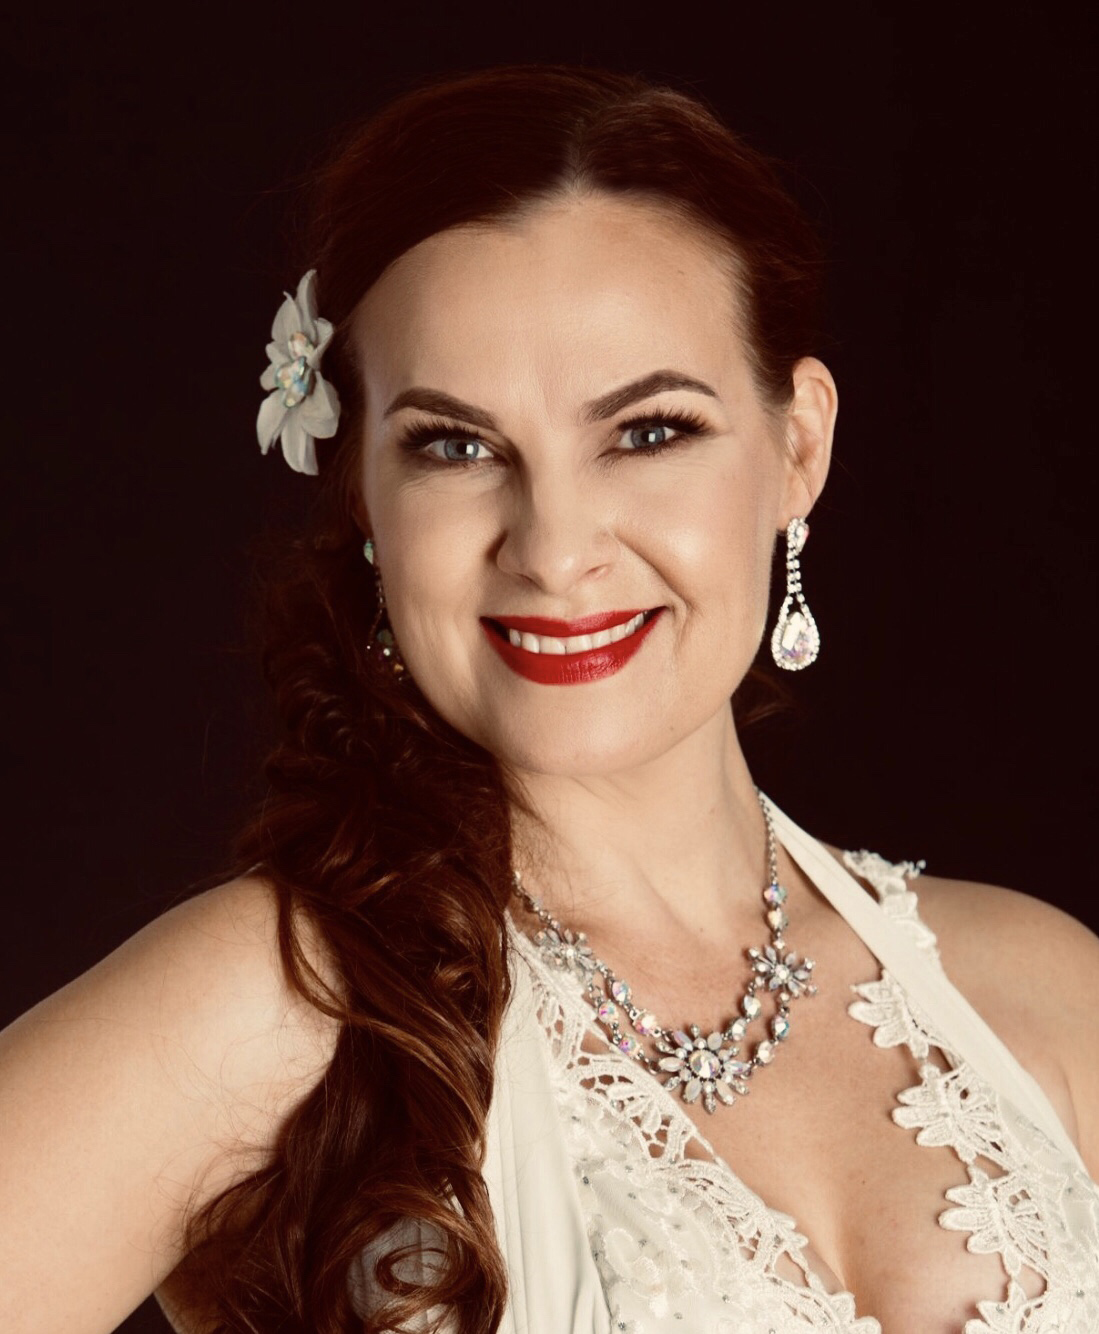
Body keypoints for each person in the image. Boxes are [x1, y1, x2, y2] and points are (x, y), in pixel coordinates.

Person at [2, 63, 1097, 1334]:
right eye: (455, 446)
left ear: (798, 444)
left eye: (648, 431)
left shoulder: (1042, 990)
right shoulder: (283, 1005)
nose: (556, 548)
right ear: (363, 497)